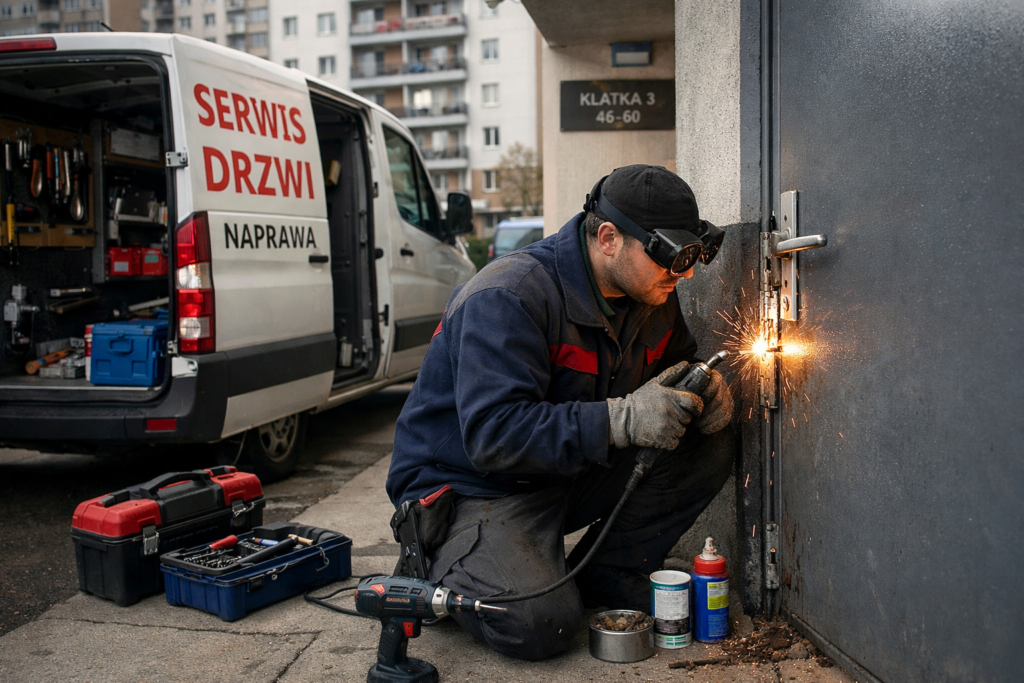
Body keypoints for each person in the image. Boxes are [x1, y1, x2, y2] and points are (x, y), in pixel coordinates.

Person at [386, 165, 735, 661]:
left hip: (563, 471)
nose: (683, 273)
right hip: (474, 487)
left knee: (707, 435)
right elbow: (494, 437)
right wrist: (621, 419)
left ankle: (609, 574)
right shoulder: (509, 296)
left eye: (691, 256)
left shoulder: (651, 294)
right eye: (670, 257)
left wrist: (701, 385)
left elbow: (678, 364)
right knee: (539, 625)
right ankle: (447, 561)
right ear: (609, 238)